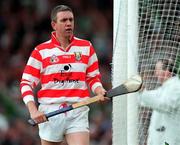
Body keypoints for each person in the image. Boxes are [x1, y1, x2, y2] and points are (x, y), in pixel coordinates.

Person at [20, 5, 106, 145]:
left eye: (71, 20)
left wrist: (99, 90)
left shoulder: (86, 47)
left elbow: (93, 77)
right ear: (54, 25)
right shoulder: (41, 51)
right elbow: (26, 83)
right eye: (64, 20)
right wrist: (33, 110)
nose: (68, 23)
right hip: (50, 112)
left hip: (78, 109)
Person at [139, 59, 180, 145]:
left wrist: (142, 91)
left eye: (158, 70)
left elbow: (165, 105)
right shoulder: (164, 88)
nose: (155, 73)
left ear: (168, 71)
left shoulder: (177, 86)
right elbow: (144, 100)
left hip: (172, 139)